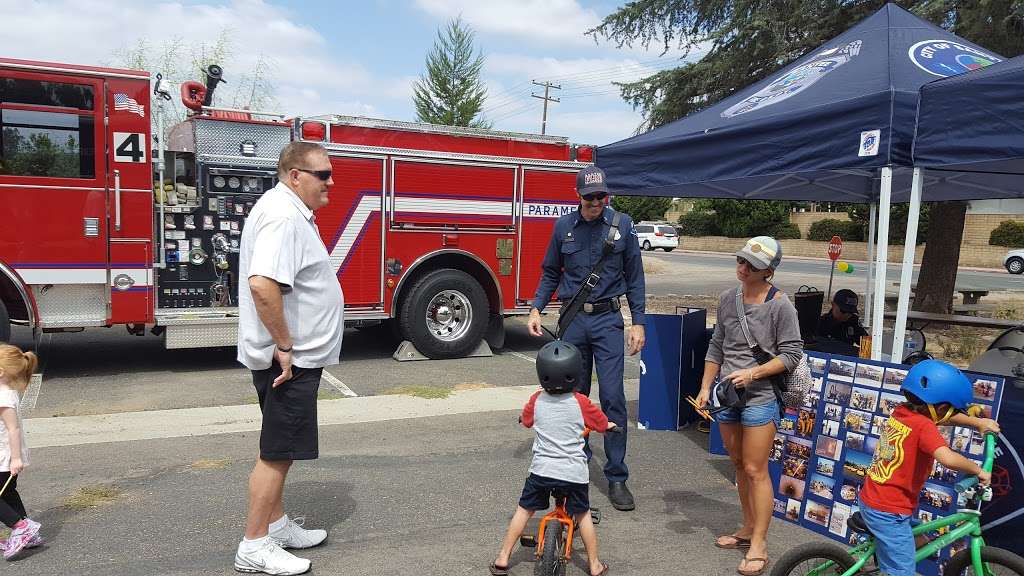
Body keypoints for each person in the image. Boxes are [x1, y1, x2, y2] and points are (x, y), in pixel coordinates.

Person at [234, 142, 345, 576]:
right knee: (277, 452)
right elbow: (263, 285)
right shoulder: (282, 216)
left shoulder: (287, 211)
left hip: (291, 359)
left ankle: (276, 526)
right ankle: (255, 544)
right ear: (295, 175)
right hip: (288, 362)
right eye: (323, 175)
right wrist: (284, 345)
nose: (330, 182)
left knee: (282, 447)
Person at [527, 165, 645, 512]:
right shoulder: (563, 227)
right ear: (577, 196)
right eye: (589, 197)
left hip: (608, 321)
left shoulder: (622, 226)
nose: (596, 202)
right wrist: (536, 308)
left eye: (601, 196)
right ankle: (572, 464)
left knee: (612, 398)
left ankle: (617, 476)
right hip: (574, 320)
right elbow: (550, 271)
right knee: (571, 397)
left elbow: (635, 278)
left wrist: (638, 322)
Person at [695, 236, 803, 576]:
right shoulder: (729, 298)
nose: (741, 269)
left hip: (761, 396)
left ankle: (760, 542)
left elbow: (792, 354)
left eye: (750, 266)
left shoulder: (781, 305)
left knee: (756, 469)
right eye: (740, 261)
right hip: (728, 395)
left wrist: (753, 373)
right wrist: (704, 388)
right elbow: (717, 345)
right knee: (739, 464)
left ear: (767, 272)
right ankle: (746, 528)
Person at [859, 360, 1000, 576]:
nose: (949, 414)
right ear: (941, 408)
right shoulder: (924, 426)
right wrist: (978, 470)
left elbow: (944, 418)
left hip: (877, 500)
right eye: (949, 408)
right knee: (903, 571)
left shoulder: (904, 411)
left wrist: (977, 423)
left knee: (922, 541)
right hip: (889, 512)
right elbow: (947, 458)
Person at [491, 341, 614, 576]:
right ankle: (595, 565)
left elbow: (526, 421)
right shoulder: (581, 403)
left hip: (542, 472)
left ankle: (503, 557)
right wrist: (609, 425)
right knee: (583, 514)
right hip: (573, 474)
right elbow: (600, 423)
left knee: (524, 510)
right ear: (576, 373)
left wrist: (522, 418)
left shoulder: (536, 400)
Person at [0, 344, 41, 560]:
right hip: (6, 456)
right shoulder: (6, 392)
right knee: (7, 493)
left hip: (4, 458)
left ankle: (21, 526)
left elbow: (13, 429)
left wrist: (15, 459)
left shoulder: (3, 398)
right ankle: (29, 532)